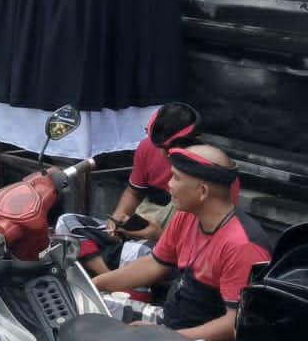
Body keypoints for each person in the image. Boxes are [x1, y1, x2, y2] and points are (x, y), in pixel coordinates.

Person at [93, 144, 270, 341]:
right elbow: (154, 264)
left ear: (202, 191)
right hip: (170, 325)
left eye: (176, 178)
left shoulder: (242, 246)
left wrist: (166, 337)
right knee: (87, 312)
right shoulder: (186, 215)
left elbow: (235, 324)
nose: (169, 184)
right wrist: (95, 285)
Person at [55, 102, 205, 276]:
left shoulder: (208, 172)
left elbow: (201, 247)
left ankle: (109, 277)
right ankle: (107, 277)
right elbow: (134, 191)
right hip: (142, 227)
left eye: (167, 149)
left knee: (136, 252)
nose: (163, 154)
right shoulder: (147, 147)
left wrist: (159, 235)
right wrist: (117, 220)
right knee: (66, 223)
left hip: (172, 247)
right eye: (159, 147)